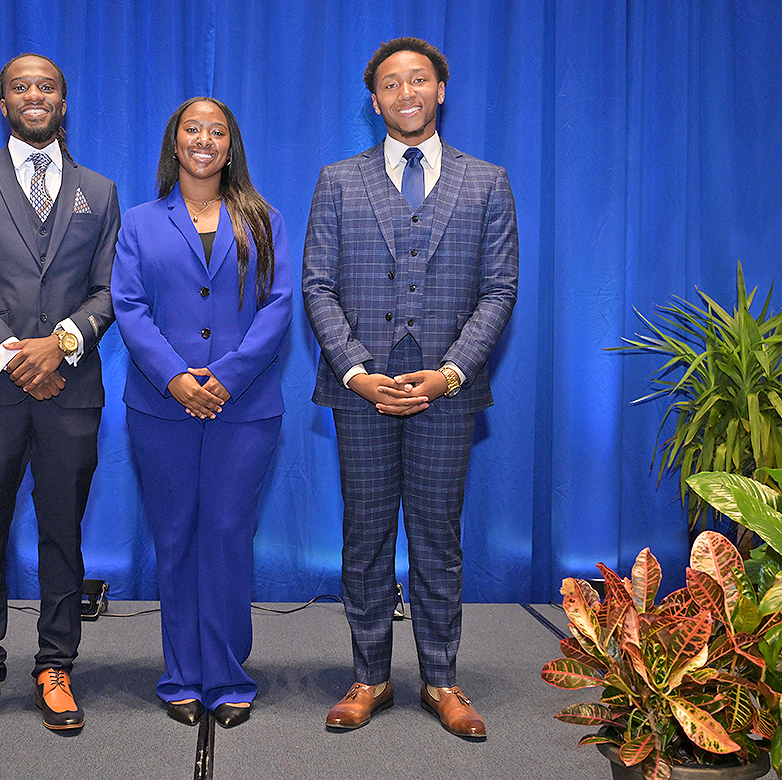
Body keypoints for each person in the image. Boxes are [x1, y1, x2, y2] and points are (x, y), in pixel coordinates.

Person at [303, 37, 518, 737]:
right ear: (375, 101)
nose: (405, 93)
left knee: (437, 538)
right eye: (391, 84)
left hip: (445, 395)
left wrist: (452, 370)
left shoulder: (488, 182)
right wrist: (359, 373)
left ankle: (441, 680)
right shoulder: (338, 180)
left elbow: (499, 290)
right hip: (361, 394)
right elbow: (318, 287)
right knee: (364, 537)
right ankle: (368, 679)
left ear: (441, 90)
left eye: (418, 80)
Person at [0, 53, 119, 738]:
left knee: (62, 535)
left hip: (70, 391)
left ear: (63, 104)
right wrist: (16, 354)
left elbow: (110, 292)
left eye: (47, 87)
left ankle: (56, 664)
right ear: (4, 102)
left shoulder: (99, 192)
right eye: (21, 87)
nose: (34, 95)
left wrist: (62, 343)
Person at [112, 97, 291, 729]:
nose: (205, 139)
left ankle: (228, 674)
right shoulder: (139, 222)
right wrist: (177, 379)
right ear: (175, 141)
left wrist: (224, 377)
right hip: (161, 410)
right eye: (193, 129)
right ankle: (181, 675)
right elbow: (129, 308)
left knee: (226, 536)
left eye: (217, 131)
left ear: (231, 145)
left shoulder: (264, 219)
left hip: (245, 412)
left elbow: (277, 307)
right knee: (175, 538)